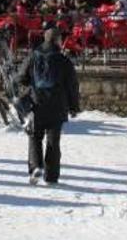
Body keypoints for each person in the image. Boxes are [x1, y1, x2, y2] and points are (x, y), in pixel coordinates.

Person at [17, 21, 80, 185]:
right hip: (57, 105)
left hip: (37, 103)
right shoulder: (64, 60)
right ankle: (51, 176)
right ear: (58, 41)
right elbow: (72, 86)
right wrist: (74, 107)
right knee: (53, 142)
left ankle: (36, 167)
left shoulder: (33, 56)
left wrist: (29, 89)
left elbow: (20, 78)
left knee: (35, 137)